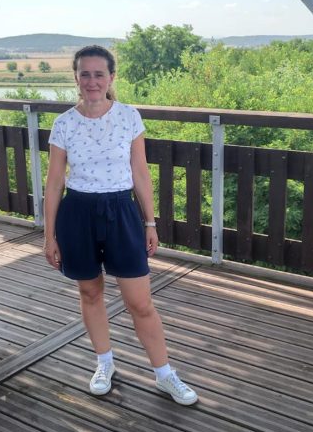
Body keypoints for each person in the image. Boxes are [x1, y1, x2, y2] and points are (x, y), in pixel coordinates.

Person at [43, 45, 198, 406]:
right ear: (76, 78)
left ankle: (165, 374)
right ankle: (104, 363)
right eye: (85, 74)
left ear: (111, 77)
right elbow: (54, 183)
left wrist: (150, 222)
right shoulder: (63, 124)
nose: (92, 81)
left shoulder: (129, 117)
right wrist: (49, 236)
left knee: (140, 302)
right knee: (90, 292)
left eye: (99, 74)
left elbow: (140, 173)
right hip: (77, 213)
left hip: (121, 212)